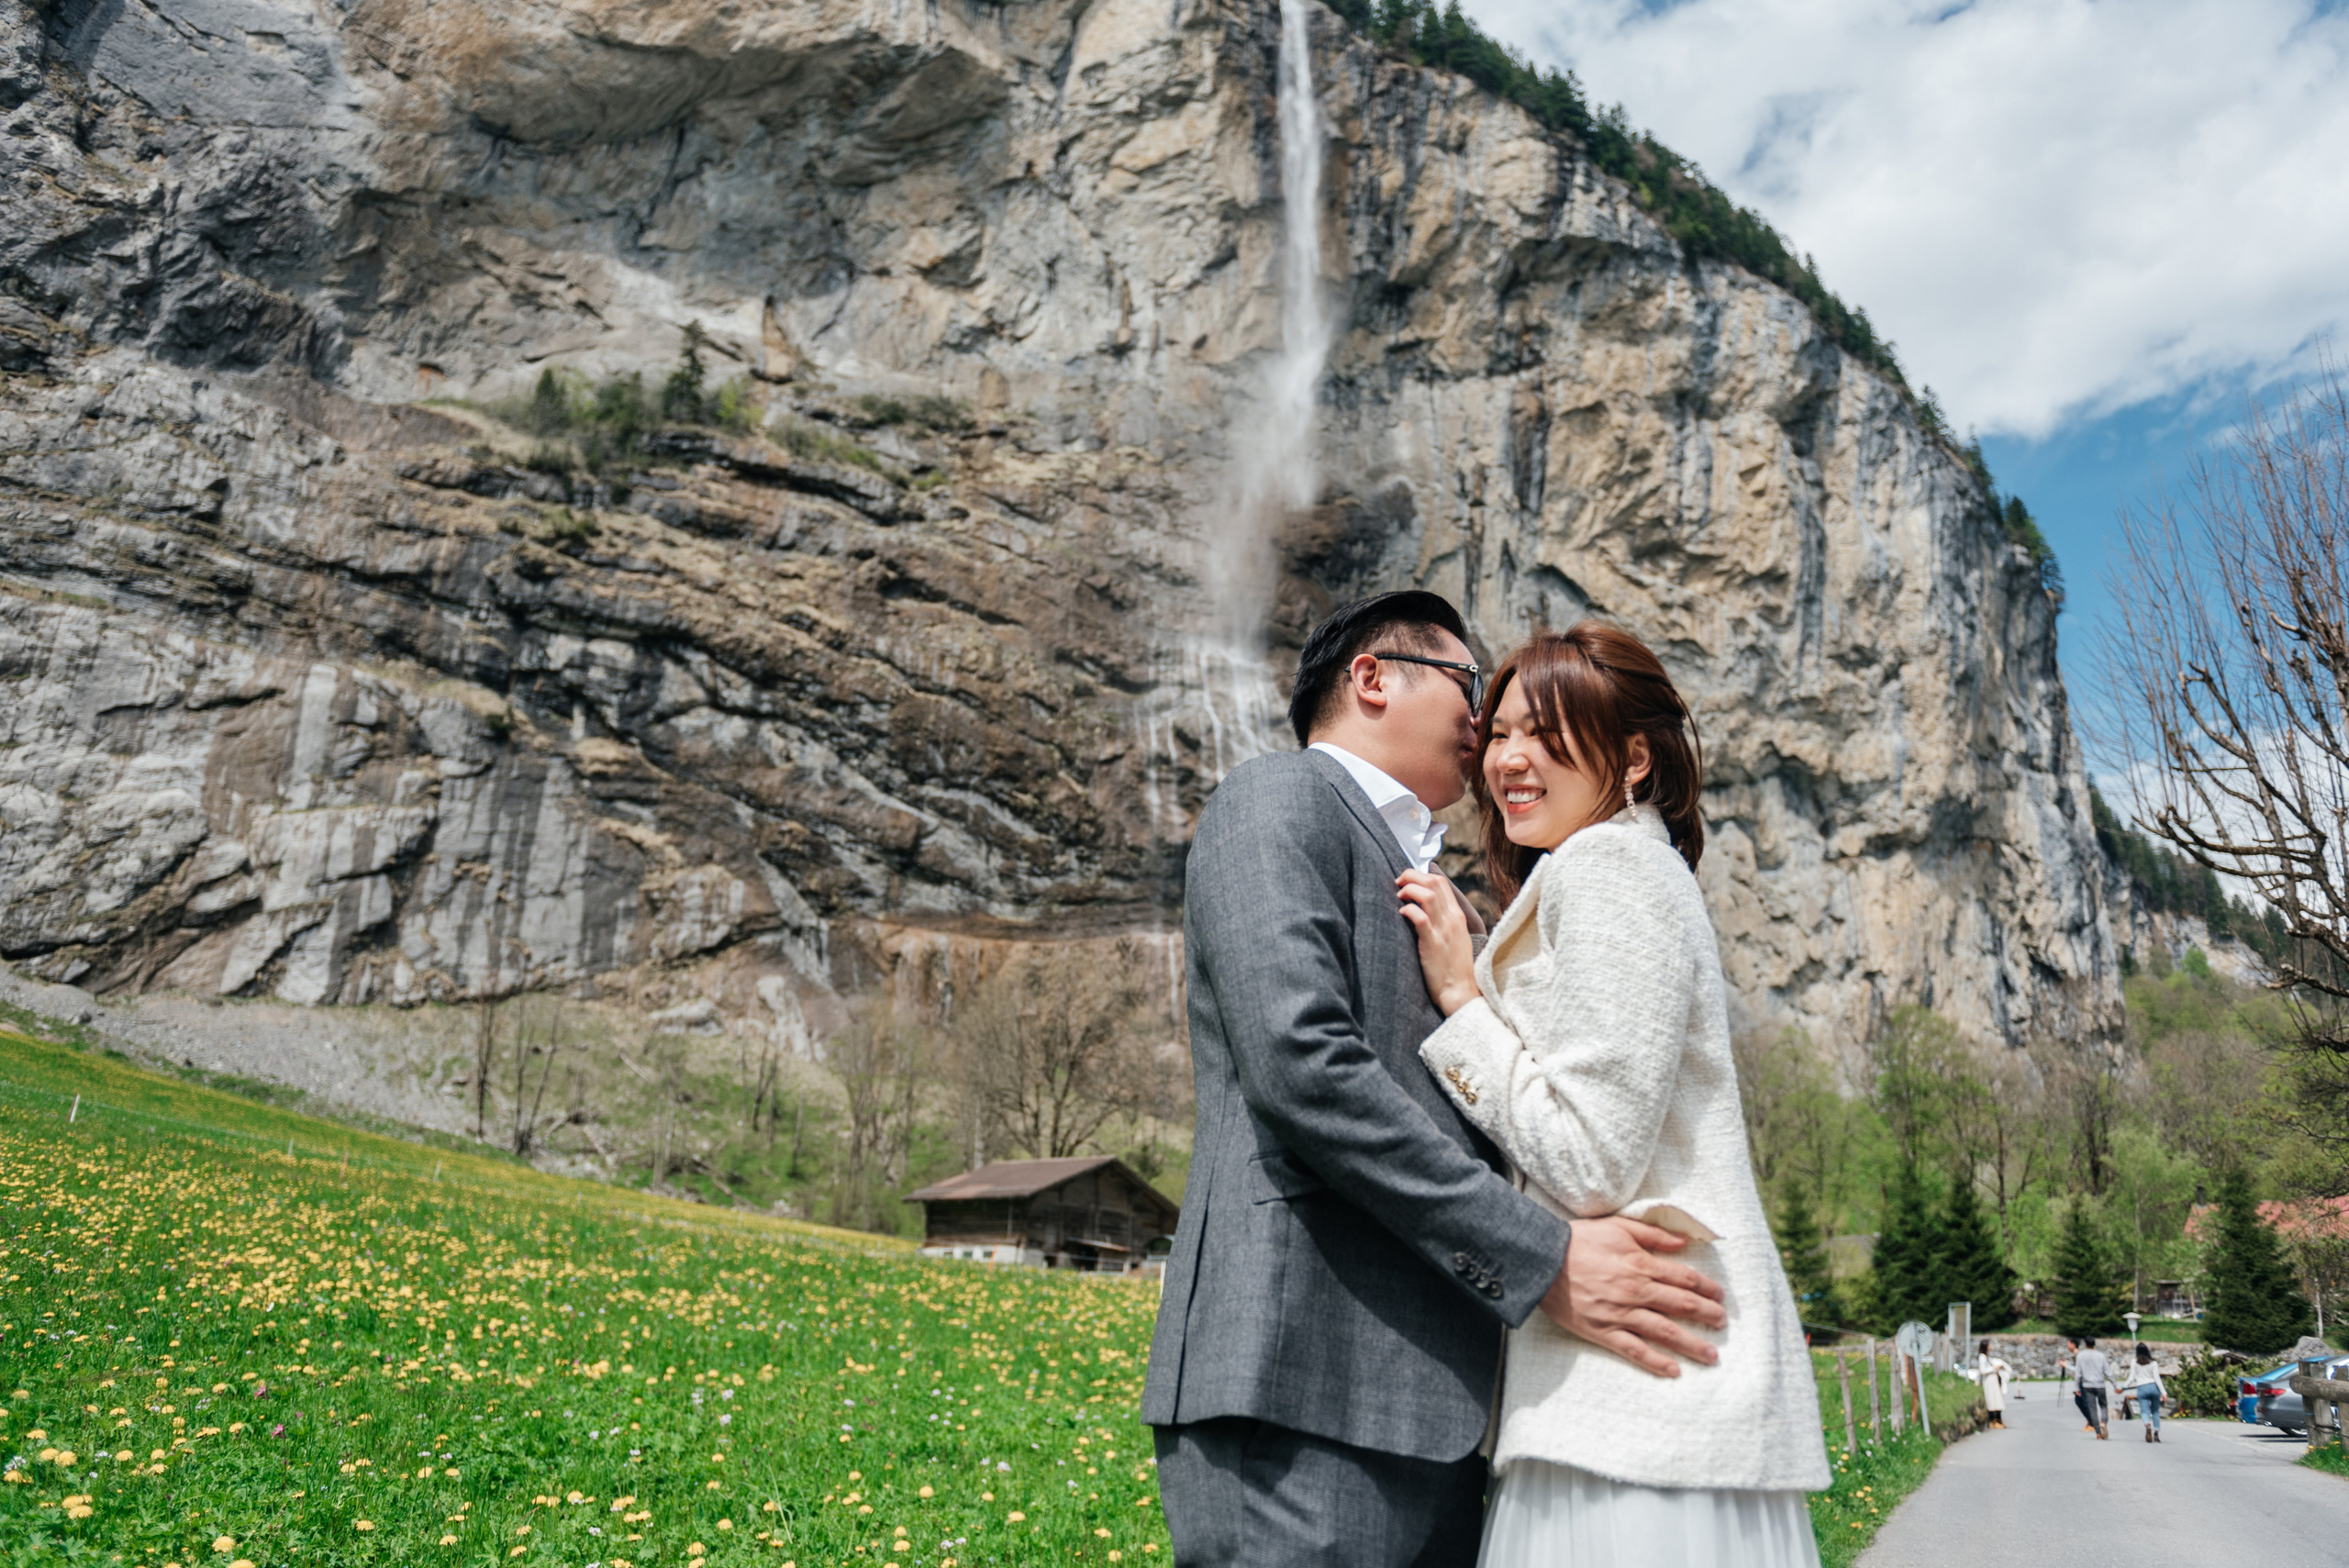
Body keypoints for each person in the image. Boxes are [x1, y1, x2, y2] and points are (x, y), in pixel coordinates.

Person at [1142, 594, 1730, 1568]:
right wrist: (1542, 1257)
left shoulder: (1446, 892)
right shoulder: (1277, 795)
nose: (1484, 719)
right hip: (1300, 1388)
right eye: (1470, 685)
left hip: (1445, 1414)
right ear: (1373, 678)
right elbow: (1304, 1065)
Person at [1399, 624, 1831, 1568]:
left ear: (1634, 758)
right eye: (1499, 732)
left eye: (1547, 734)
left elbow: (1590, 1157)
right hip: (1653, 1392)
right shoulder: (1625, 864)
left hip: (1633, 1404)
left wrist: (1463, 1001)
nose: (1510, 759)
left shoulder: (1609, 865)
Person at [2075, 1336, 2111, 1439]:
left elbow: (2078, 1373)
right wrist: (2115, 1385)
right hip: (2100, 1385)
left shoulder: (2080, 1356)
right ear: (2094, 1344)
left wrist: (2077, 1387)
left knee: (2092, 1408)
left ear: (2085, 1344)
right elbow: (2108, 1372)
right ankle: (2103, 1422)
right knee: (2103, 1405)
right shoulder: (2101, 1355)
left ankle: (2098, 1433)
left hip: (2087, 1385)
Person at [2129, 1342, 2166, 1443]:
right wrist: (2164, 1392)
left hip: (2142, 1388)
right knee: (2155, 1411)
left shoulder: (2134, 1362)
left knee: (2145, 1411)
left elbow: (2131, 1378)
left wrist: (2123, 1387)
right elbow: (2157, 1378)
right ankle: (2156, 1433)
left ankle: (2147, 1424)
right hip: (2154, 1387)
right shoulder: (2153, 1363)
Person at [1975, 1339, 2010, 1429]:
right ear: (1985, 1346)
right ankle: (1992, 1421)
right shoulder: (1982, 1357)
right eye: (1989, 1345)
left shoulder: (1987, 1357)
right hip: (1989, 1381)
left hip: (1993, 1380)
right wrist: (1994, 1368)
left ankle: (1998, 1420)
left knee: (1997, 1400)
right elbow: (1982, 1370)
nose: (1991, 1346)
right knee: (1992, 1400)